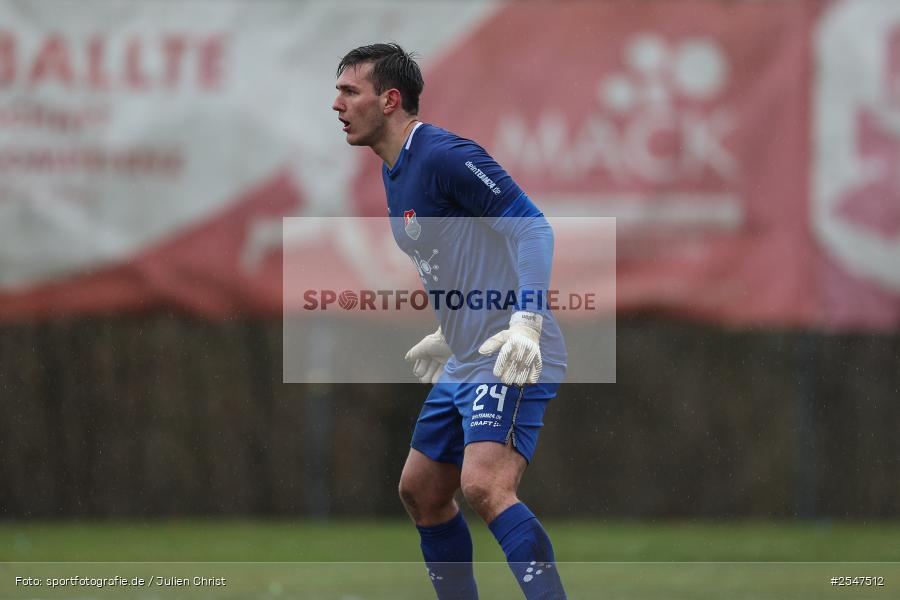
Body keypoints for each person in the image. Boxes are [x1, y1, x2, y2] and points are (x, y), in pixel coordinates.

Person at [333, 43, 568, 600]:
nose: (336, 104)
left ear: (390, 100)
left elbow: (531, 229)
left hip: (507, 349)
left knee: (485, 485)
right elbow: (461, 257)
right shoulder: (396, 173)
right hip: (468, 354)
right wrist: (451, 328)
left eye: (349, 91)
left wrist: (527, 322)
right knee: (421, 490)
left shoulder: (441, 154)